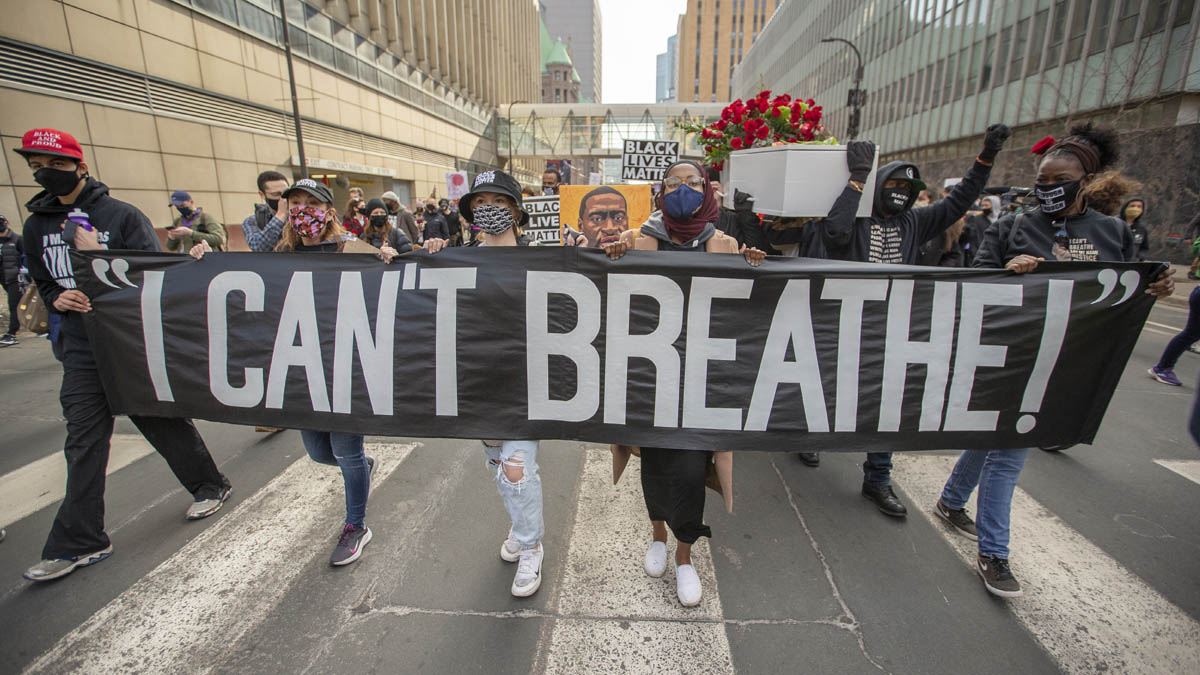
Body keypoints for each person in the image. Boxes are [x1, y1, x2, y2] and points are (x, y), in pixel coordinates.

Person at [939, 122, 1174, 598]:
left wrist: (1157, 286)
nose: (1045, 187)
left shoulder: (1113, 233)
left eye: (1056, 180)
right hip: (1011, 359)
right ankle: (994, 552)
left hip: (1066, 363)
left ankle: (950, 501)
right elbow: (977, 284)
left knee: (995, 440)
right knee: (1009, 452)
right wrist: (1010, 272)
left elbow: (1130, 289)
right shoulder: (1011, 226)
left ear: (1085, 182)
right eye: (1041, 179)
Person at [15, 127, 232, 582]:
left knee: (158, 418)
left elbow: (152, 281)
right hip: (79, 346)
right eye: (37, 166)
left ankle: (210, 484)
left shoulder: (121, 216)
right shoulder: (35, 227)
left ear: (81, 166)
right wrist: (58, 297)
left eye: (56, 164)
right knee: (84, 438)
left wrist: (99, 258)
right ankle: (81, 540)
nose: (46, 173)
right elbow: (44, 280)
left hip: (127, 340)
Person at [191, 180, 446, 564]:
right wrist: (204, 258)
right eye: (295, 203)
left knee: (345, 450)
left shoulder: (352, 248)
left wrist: (391, 255)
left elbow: (396, 273)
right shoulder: (281, 255)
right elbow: (240, 276)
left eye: (312, 203)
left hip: (348, 368)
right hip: (304, 370)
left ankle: (355, 524)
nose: (303, 209)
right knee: (318, 451)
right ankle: (361, 466)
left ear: (328, 210)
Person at [796, 124, 1013, 515]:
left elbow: (959, 201)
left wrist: (986, 158)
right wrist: (858, 178)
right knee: (828, 387)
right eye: (892, 185)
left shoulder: (915, 222)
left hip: (893, 328)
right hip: (844, 322)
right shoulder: (857, 217)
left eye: (908, 190)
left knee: (888, 404)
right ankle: (813, 437)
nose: (900, 194)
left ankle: (877, 478)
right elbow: (835, 231)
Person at [604, 159, 765, 607]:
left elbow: (746, 310)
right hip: (652, 383)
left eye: (691, 183)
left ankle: (684, 556)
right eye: (673, 183)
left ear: (708, 189)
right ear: (661, 192)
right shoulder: (638, 240)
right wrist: (615, 255)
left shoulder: (726, 244)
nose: (682, 189)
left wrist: (752, 267)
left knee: (693, 472)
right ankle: (657, 535)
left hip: (702, 385)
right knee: (654, 466)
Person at [457, 169, 547, 596]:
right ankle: (520, 525)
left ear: (514, 209)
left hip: (528, 381)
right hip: (480, 380)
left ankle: (531, 547)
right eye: (478, 204)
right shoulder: (456, 258)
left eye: (496, 202)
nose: (486, 210)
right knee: (498, 465)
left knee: (516, 469)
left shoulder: (543, 257)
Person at [241, 170, 290, 252]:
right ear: (262, 194)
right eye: (276, 194)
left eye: (285, 192)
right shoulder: (252, 221)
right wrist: (280, 216)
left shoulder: (298, 214)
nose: (283, 198)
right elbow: (258, 247)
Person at [1, 214, 24, 346]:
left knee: (14, 305)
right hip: (4, 278)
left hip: (16, 279)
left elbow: (27, 256)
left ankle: (11, 333)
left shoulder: (17, 239)